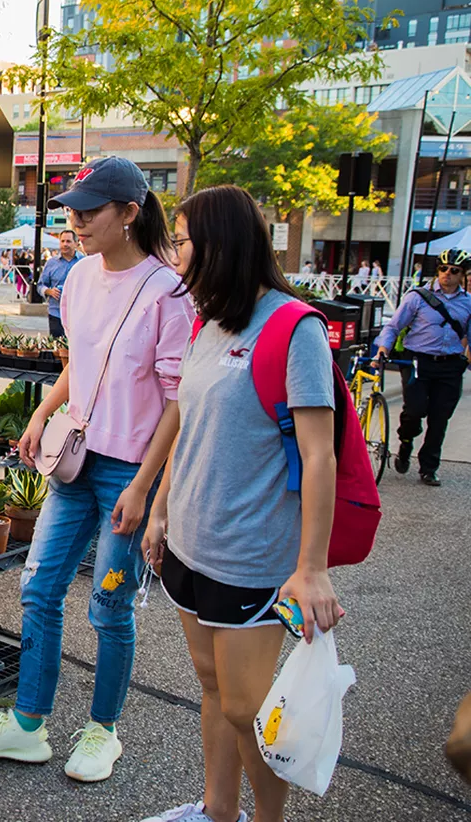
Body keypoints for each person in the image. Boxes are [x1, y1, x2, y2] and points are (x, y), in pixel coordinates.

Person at [0, 157, 193, 783]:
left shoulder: (169, 291)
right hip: (75, 461)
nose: (77, 222)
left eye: (90, 212)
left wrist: (147, 488)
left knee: (110, 606)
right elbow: (78, 361)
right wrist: (43, 412)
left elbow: (179, 400)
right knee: (39, 588)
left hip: (127, 471)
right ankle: (29, 725)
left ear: (130, 214)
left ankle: (101, 731)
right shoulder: (82, 277)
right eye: (73, 211)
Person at [139, 185, 341, 822]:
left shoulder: (294, 328)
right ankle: (216, 810)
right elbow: (190, 425)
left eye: (183, 239)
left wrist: (310, 569)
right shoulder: (208, 323)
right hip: (191, 546)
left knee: (246, 708)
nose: (174, 252)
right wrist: (161, 507)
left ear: (219, 245)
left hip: (252, 556)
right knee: (211, 685)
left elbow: (319, 457)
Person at [374, 248, 471, 486]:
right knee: (414, 411)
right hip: (418, 362)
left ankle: (429, 467)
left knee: (439, 419)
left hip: (450, 366)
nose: (447, 274)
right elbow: (393, 327)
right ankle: (406, 443)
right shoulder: (417, 297)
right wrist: (382, 349)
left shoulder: (468, 303)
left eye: (453, 270)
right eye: (443, 268)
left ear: (462, 275)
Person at [37, 229, 80, 337]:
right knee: (57, 347)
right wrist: (49, 291)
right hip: (56, 312)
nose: (65, 244)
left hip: (78, 314)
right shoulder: (51, 263)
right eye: (62, 241)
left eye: (68, 241)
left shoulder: (84, 262)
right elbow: (40, 285)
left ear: (76, 243)